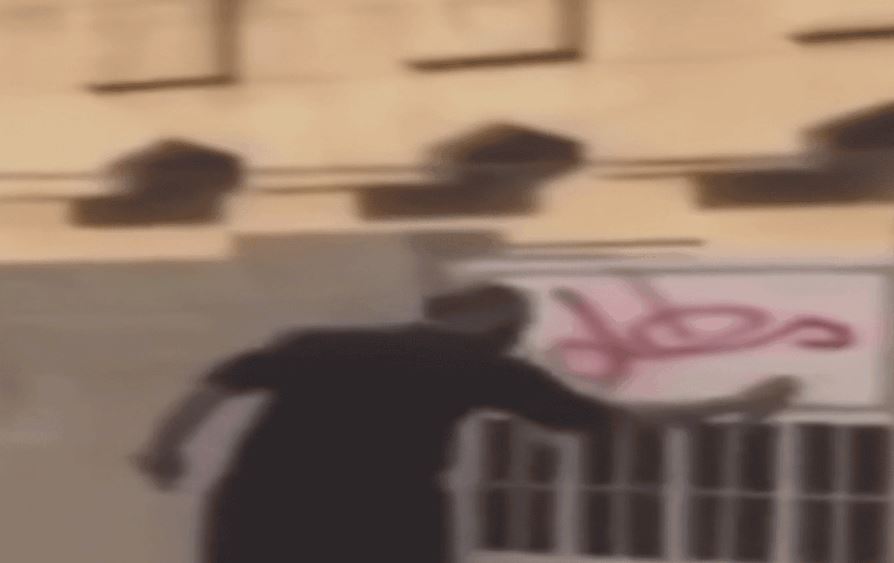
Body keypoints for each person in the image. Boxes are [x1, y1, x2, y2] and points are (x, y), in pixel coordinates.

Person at [133, 284, 799, 563]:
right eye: (517, 328)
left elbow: (216, 385)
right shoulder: (479, 365)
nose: (517, 340)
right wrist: (732, 404)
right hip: (378, 519)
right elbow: (607, 421)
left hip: (261, 508)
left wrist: (165, 449)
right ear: (496, 325)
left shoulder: (319, 343)